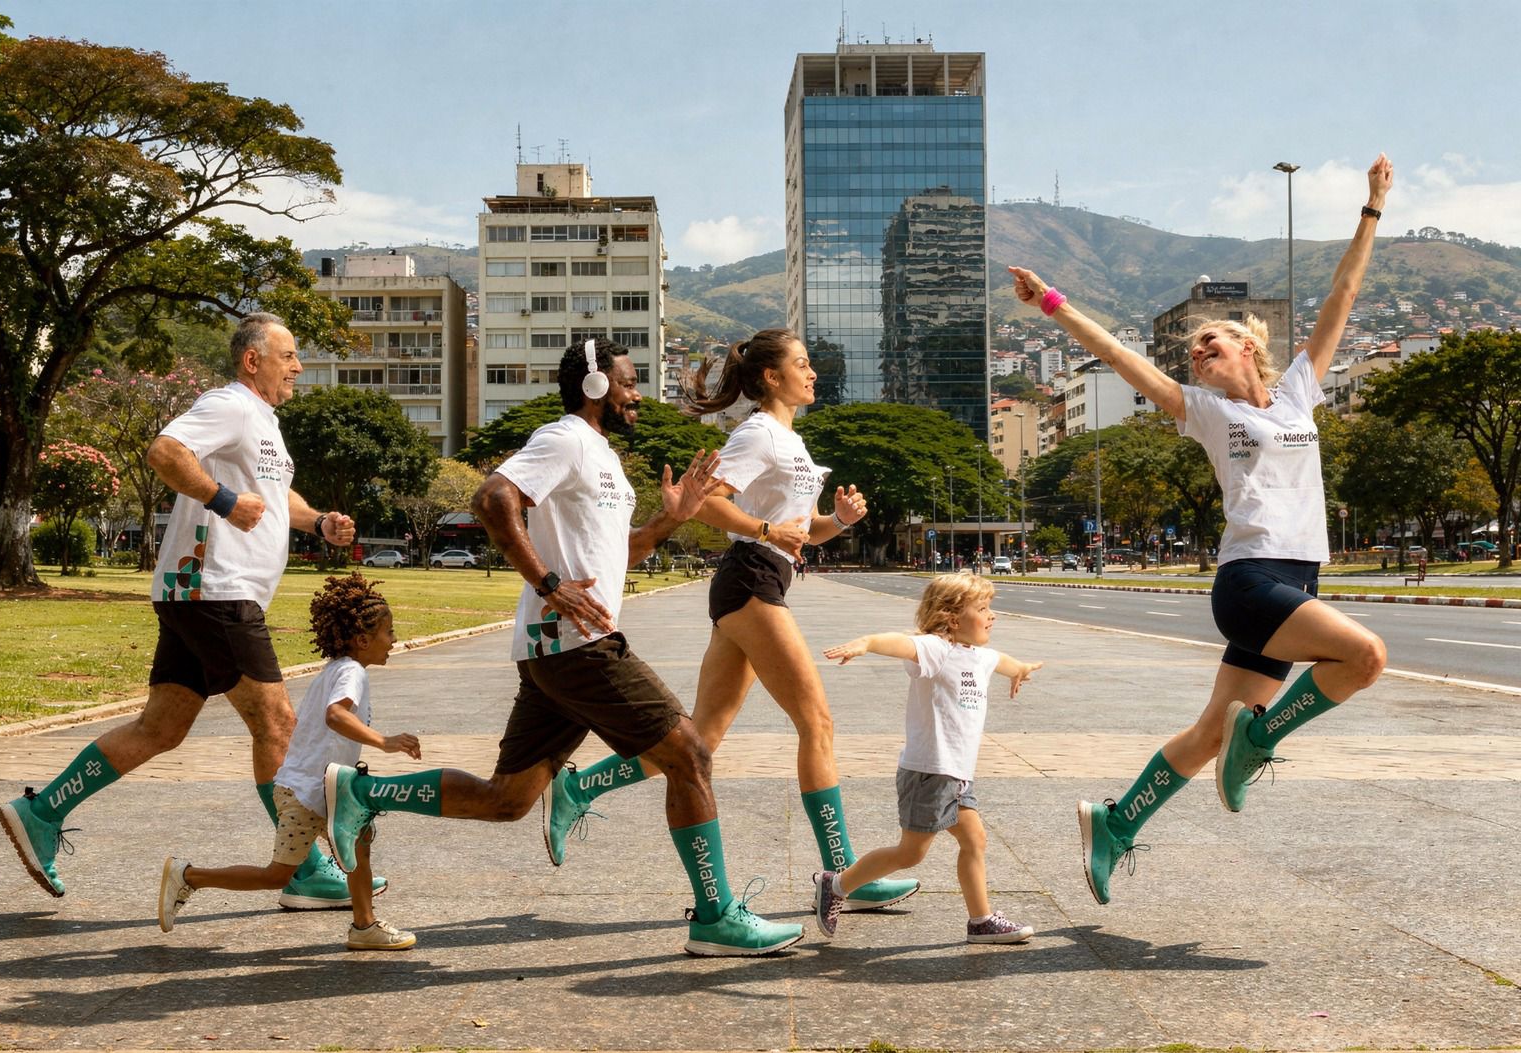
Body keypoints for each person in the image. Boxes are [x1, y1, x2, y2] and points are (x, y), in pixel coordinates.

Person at [323, 338, 802, 957]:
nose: (637, 396)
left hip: (554, 651)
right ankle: (715, 917)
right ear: (596, 386)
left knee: (507, 800)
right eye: (628, 383)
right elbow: (492, 499)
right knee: (690, 756)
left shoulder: (602, 457)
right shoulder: (565, 439)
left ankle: (362, 793)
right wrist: (548, 583)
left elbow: (620, 554)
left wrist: (672, 518)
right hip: (579, 645)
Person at [1007, 153, 1394, 906]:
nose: (1197, 350)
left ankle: (1116, 822)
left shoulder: (1297, 393)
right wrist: (1051, 302)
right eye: (1191, 349)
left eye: (1211, 339)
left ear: (1249, 347)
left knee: (1213, 731)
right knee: (1366, 656)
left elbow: (1343, 293)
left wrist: (1372, 207)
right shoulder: (1205, 411)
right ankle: (1263, 737)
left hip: (1300, 576)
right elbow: (1116, 354)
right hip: (1251, 580)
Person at [0, 313, 378, 912]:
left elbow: (274, 496)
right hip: (215, 589)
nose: (298, 367)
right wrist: (222, 500)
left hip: (198, 594)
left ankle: (42, 812)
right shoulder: (230, 405)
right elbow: (165, 451)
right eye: (288, 356)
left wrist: (319, 521)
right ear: (253, 360)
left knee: (161, 729)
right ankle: (303, 868)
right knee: (277, 724)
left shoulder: (264, 423)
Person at [540, 328, 918, 914]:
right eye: (802, 364)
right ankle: (845, 877)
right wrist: (766, 529)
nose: (812, 373)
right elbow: (709, 502)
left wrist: (839, 521)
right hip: (751, 580)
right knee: (817, 722)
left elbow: (803, 531)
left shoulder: (790, 440)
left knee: (704, 737)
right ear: (771, 377)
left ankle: (578, 786)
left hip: (761, 577)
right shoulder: (758, 433)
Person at [157, 573, 418, 950]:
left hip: (326, 789)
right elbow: (336, 716)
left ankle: (364, 926)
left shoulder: (339, 668)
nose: (393, 639)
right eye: (388, 632)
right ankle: (189, 876)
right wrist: (384, 742)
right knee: (277, 876)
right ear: (363, 640)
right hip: (307, 794)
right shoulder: (351, 672)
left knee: (360, 843)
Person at [815, 574, 1042, 944]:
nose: (992, 615)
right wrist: (868, 643)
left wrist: (1021, 670)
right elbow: (903, 644)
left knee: (975, 840)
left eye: (990, 607)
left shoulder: (979, 657)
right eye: (982, 608)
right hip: (929, 772)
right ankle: (836, 885)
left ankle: (981, 921)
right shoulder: (938, 650)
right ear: (952, 618)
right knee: (910, 853)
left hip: (957, 775)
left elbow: (1002, 661)